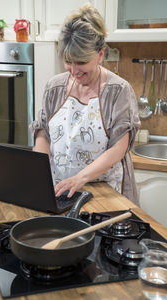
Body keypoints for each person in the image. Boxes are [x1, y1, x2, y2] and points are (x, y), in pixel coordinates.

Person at [29, 3, 141, 205]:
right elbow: (42, 131)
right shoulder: (55, 87)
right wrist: (40, 171)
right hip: (60, 191)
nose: (73, 70)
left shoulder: (118, 91)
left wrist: (80, 178)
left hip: (105, 194)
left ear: (100, 55)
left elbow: (119, 147)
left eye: (80, 62)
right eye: (68, 61)